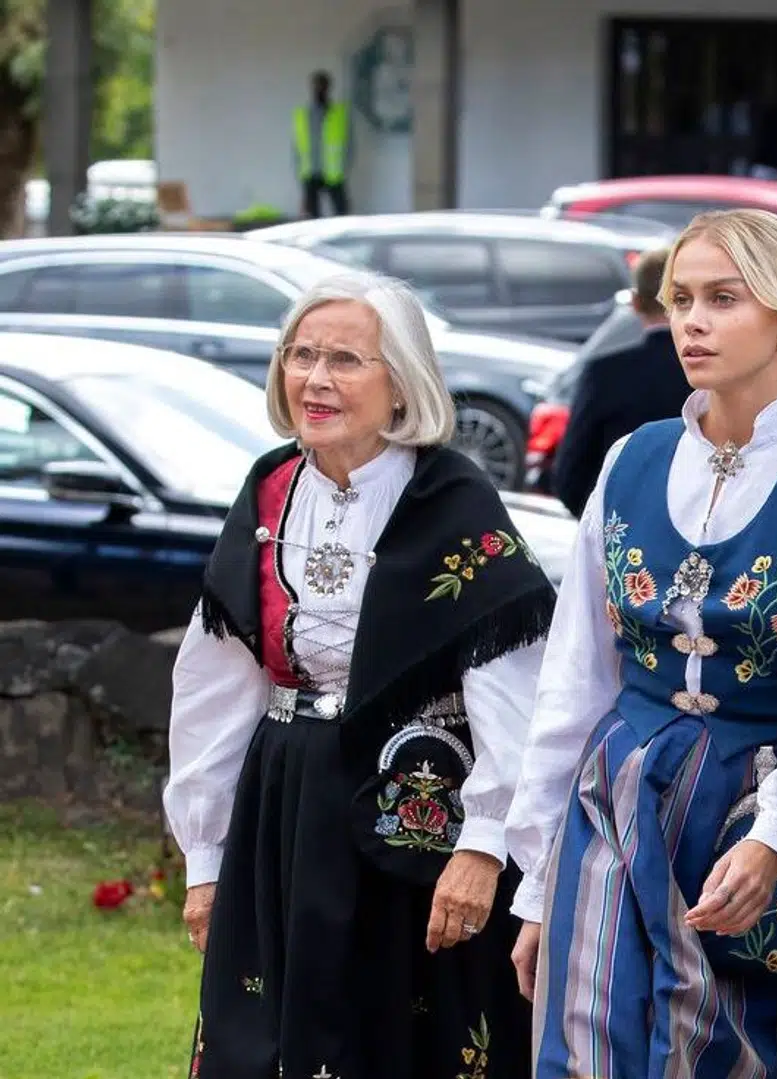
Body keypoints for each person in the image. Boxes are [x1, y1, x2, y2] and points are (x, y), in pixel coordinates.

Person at [163, 270, 552, 1079]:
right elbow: (217, 682)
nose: (314, 378)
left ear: (401, 380)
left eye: (345, 358)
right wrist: (205, 857)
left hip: (415, 810)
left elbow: (513, 696)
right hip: (286, 798)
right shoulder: (272, 488)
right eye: (300, 355)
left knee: (406, 1034)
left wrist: (483, 847)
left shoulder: (453, 500)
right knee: (263, 1035)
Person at [503, 208, 777, 1078]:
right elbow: (576, 674)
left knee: (726, 1043)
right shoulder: (633, 457)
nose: (692, 322)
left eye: (723, 299)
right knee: (586, 1036)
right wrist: (537, 882)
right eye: (682, 299)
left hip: (752, 796)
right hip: (618, 787)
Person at [551, 246, 693, 517]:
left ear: (635, 303)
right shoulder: (715, 377)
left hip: (617, 526)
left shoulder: (604, 373)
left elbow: (570, 475)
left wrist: (605, 526)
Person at [292, 70, 353, 218]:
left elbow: (350, 144)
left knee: (342, 212)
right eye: (316, 86)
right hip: (310, 171)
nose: (319, 90)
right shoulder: (302, 115)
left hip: (334, 172)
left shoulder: (339, 114)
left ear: (328, 88)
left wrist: (345, 166)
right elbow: (296, 146)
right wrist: (298, 171)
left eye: (322, 86)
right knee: (312, 216)